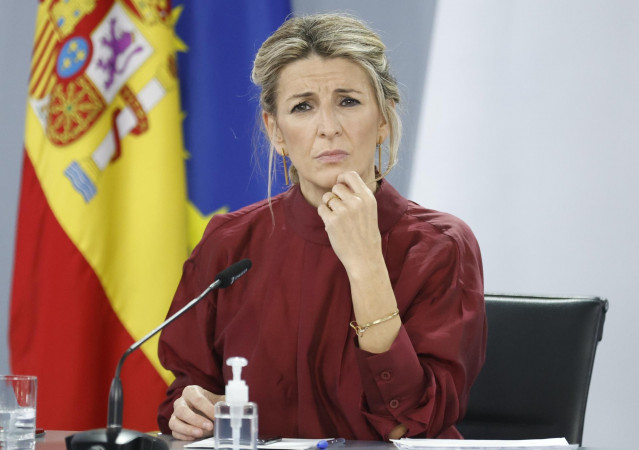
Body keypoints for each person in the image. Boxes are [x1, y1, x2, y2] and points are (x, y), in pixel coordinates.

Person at [157, 13, 486, 441]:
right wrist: (190, 410)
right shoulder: (229, 245)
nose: (328, 127)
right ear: (275, 131)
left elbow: (410, 421)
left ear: (383, 119)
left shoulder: (441, 246)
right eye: (303, 107)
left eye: (348, 101)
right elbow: (184, 394)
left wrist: (366, 261)